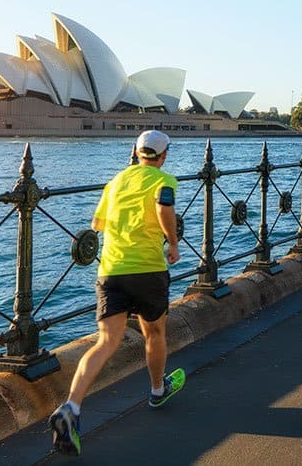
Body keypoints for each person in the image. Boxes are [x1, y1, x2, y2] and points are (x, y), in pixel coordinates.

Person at [49, 130, 184, 456]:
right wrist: (173, 242)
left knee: (106, 341)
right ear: (163, 156)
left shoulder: (115, 182)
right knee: (154, 332)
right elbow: (165, 209)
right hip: (148, 268)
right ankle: (156, 390)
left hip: (111, 270)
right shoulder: (164, 180)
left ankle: (72, 407)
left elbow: (97, 224)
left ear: (136, 153)